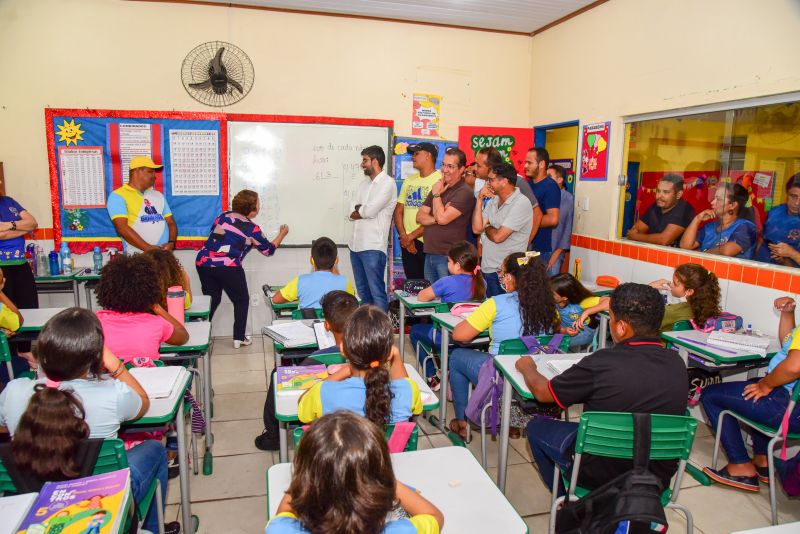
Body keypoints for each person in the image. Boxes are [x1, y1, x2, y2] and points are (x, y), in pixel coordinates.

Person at [0, 308, 179, 534]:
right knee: (154, 449)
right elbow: (142, 402)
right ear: (96, 355)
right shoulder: (112, 395)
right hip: (99, 499)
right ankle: (151, 529)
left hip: (32, 500)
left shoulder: (14, 391)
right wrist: (116, 365)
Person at [516, 283, 688, 492]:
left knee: (536, 427)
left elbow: (543, 394)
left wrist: (528, 368)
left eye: (612, 318)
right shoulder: (677, 362)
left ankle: (567, 500)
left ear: (622, 327)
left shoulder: (601, 362)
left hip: (600, 473)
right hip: (656, 475)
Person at [265, 411, 444, 534]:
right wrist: (386, 480)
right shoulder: (400, 531)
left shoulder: (281, 530)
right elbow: (434, 516)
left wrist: (308, 473)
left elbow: (285, 511)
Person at [447, 252, 557, 439]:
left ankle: (462, 422)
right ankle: (512, 423)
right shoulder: (550, 306)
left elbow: (459, 335)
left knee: (457, 356)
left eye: (503, 273)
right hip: (535, 375)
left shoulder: (496, 303)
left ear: (512, 277)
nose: (502, 277)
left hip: (501, 377)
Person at [700, 296, 800, 491]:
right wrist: (788, 313)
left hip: (789, 408)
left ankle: (740, 466)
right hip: (792, 405)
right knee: (751, 386)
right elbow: (790, 345)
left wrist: (766, 385)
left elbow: (794, 366)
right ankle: (762, 461)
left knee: (711, 395)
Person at [256, 290, 359, 451]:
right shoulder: (373, 361)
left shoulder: (315, 359)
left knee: (277, 374)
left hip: (325, 435)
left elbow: (303, 402)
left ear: (326, 325)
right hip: (357, 436)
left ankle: (273, 436)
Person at [298, 306, 423, 426]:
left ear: (342, 349)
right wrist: (396, 355)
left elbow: (302, 410)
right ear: (388, 352)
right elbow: (406, 389)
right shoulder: (408, 390)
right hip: (389, 449)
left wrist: (346, 370)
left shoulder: (323, 392)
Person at [196, 189, 288, 348]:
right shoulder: (252, 229)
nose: (260, 206)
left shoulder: (223, 216)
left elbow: (219, 238)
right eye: (258, 204)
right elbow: (268, 250)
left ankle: (199, 335)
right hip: (228, 266)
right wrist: (282, 234)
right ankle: (239, 338)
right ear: (252, 211)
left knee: (212, 299)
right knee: (241, 300)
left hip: (204, 263)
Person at [409, 241, 485, 389]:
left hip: (446, 336)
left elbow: (422, 297)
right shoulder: (482, 283)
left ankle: (432, 377)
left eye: (449, 261)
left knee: (415, 331)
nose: (447, 264)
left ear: (457, 265)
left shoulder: (447, 281)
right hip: (472, 336)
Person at [95, 254, 188, 365]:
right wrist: (156, 307)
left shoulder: (94, 322)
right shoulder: (156, 323)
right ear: (150, 289)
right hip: (148, 381)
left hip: (107, 380)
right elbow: (183, 336)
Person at [472, 163, 533, 297]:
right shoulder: (494, 200)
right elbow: (477, 229)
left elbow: (499, 237)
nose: (487, 183)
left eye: (491, 180)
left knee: (503, 315)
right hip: (488, 268)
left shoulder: (521, 203)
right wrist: (480, 199)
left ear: (504, 181)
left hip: (507, 273)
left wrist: (487, 227)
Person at [416, 148, 476, 283]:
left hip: (450, 258)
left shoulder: (464, 192)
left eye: (450, 166)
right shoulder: (439, 186)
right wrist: (437, 217)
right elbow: (419, 217)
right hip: (430, 253)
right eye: (443, 164)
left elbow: (442, 219)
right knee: (432, 301)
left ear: (461, 170)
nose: (444, 169)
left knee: (448, 300)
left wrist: (437, 195)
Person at [349, 145, 396, 311]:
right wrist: (361, 210)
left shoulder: (388, 184)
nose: (362, 164)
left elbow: (369, 211)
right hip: (355, 246)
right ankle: (368, 334)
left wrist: (360, 210)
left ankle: (382, 335)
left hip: (373, 247)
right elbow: (350, 212)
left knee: (377, 293)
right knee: (363, 294)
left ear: (375, 161)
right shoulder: (363, 185)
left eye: (365, 160)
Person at [107, 156, 177, 254]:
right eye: (150, 172)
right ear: (137, 171)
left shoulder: (158, 195)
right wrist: (149, 249)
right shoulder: (118, 196)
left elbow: (171, 222)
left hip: (164, 255)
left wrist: (171, 242)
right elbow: (122, 228)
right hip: (138, 257)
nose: (154, 176)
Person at [475, 148, 541, 245]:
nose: (475, 168)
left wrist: (526, 243)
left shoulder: (517, 182)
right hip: (489, 247)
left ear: (490, 167)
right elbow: (482, 217)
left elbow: (537, 214)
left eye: (479, 165)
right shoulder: (482, 182)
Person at [0, 194, 37, 365]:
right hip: (2, 268)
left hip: (21, 265)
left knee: (29, 306)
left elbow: (33, 223)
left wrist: (9, 225)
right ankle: (11, 356)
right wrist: (22, 229)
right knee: (8, 313)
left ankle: (24, 351)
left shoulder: (9, 201)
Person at [395, 142, 441, 280]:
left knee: (430, 289)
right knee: (413, 287)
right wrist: (405, 236)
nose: (412, 157)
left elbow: (437, 216)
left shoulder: (440, 180)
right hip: (407, 243)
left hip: (428, 243)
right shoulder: (409, 180)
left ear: (428, 155)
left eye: (416, 154)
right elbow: (398, 210)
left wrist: (412, 236)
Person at [273, 236, 356, 310]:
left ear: (311, 260)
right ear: (336, 260)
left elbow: (276, 299)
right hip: (334, 326)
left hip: (307, 326)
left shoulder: (301, 281)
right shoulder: (344, 282)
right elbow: (353, 302)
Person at [680, 182, 758, 259]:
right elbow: (685, 246)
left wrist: (702, 254)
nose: (712, 202)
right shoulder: (709, 227)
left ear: (733, 205)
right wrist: (697, 219)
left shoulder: (747, 226)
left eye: (719, 199)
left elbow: (727, 251)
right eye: (714, 198)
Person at [627, 174, 696, 247]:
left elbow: (664, 240)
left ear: (678, 194)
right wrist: (636, 235)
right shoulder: (657, 206)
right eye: (658, 191)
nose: (659, 196)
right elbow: (636, 229)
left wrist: (636, 237)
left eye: (666, 192)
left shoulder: (685, 209)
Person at [649, 263, 721, 331]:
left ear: (689, 291)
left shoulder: (673, 311)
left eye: (675, 284)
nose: (671, 285)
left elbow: (643, 321)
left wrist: (648, 288)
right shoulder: (704, 309)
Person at [524, 147, 561, 264]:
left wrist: (525, 222)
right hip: (525, 245)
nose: (525, 166)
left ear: (541, 164)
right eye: (525, 162)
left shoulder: (550, 186)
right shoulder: (527, 184)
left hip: (539, 249)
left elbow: (553, 219)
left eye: (529, 163)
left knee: (533, 281)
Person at [756, 173, 800, 267]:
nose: (797, 203)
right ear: (787, 194)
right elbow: (761, 239)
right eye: (793, 196)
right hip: (760, 268)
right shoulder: (775, 212)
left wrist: (791, 253)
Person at [551, 273, 604, 350]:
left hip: (584, 333)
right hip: (564, 330)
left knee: (552, 344)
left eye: (552, 293)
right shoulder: (554, 302)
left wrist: (587, 312)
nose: (548, 294)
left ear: (564, 297)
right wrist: (563, 330)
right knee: (545, 339)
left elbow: (609, 302)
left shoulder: (582, 302)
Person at [547, 165, 574, 275]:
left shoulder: (567, 198)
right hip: (539, 252)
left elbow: (567, 228)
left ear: (560, 179)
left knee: (552, 286)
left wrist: (556, 254)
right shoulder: (545, 195)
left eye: (549, 176)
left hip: (555, 253)